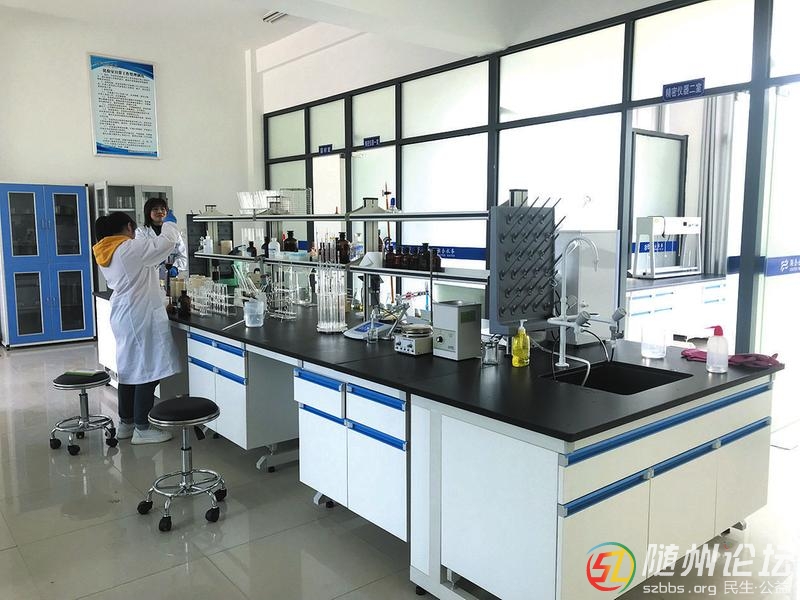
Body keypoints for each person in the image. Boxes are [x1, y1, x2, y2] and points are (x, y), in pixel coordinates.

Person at [92, 211, 182, 444]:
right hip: (138, 316)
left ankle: (127, 423)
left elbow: (141, 272)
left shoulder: (108, 249)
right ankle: (142, 427)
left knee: (130, 370)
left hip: (126, 314)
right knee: (147, 372)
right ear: (129, 227)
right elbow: (166, 243)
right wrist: (169, 224)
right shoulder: (128, 248)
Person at [136, 198, 188, 288]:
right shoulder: (141, 232)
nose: (160, 212)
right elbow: (143, 254)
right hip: (149, 279)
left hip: (171, 280)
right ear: (148, 212)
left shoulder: (173, 232)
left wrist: (176, 267)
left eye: (163, 209)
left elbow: (183, 256)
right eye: (155, 209)